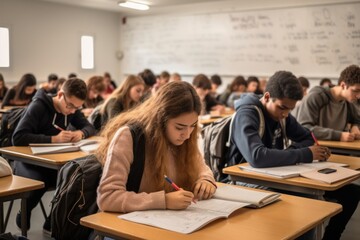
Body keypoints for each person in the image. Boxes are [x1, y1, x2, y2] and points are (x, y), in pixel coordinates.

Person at [228, 70, 360, 240]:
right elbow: (257, 157)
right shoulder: (247, 114)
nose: (284, 114)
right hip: (244, 180)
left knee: (351, 193)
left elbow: (307, 138)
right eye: (282, 108)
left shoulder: (283, 115)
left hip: (275, 173)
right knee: (307, 206)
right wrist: (303, 154)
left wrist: (292, 153)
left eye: (290, 110)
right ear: (267, 97)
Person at [96, 81, 217, 213]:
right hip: (128, 225)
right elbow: (107, 198)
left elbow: (202, 168)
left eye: (193, 125)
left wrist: (206, 180)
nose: (187, 135)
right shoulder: (129, 137)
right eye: (179, 127)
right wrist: (163, 201)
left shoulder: (185, 139)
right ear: (161, 119)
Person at [12, 78, 96, 234]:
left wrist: (81, 133)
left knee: (71, 177)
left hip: (51, 160)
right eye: (70, 106)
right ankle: (25, 210)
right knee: (43, 179)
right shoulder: (38, 106)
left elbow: (89, 127)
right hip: (27, 161)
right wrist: (53, 139)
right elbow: (18, 137)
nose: (72, 111)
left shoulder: (71, 109)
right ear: (60, 94)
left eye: (77, 108)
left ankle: (52, 219)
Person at [295, 65, 360, 142]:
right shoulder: (316, 97)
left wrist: (355, 127)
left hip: (338, 147)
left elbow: (357, 120)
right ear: (343, 85)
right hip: (315, 148)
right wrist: (338, 135)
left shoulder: (349, 100)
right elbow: (304, 127)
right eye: (356, 90)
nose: (358, 96)